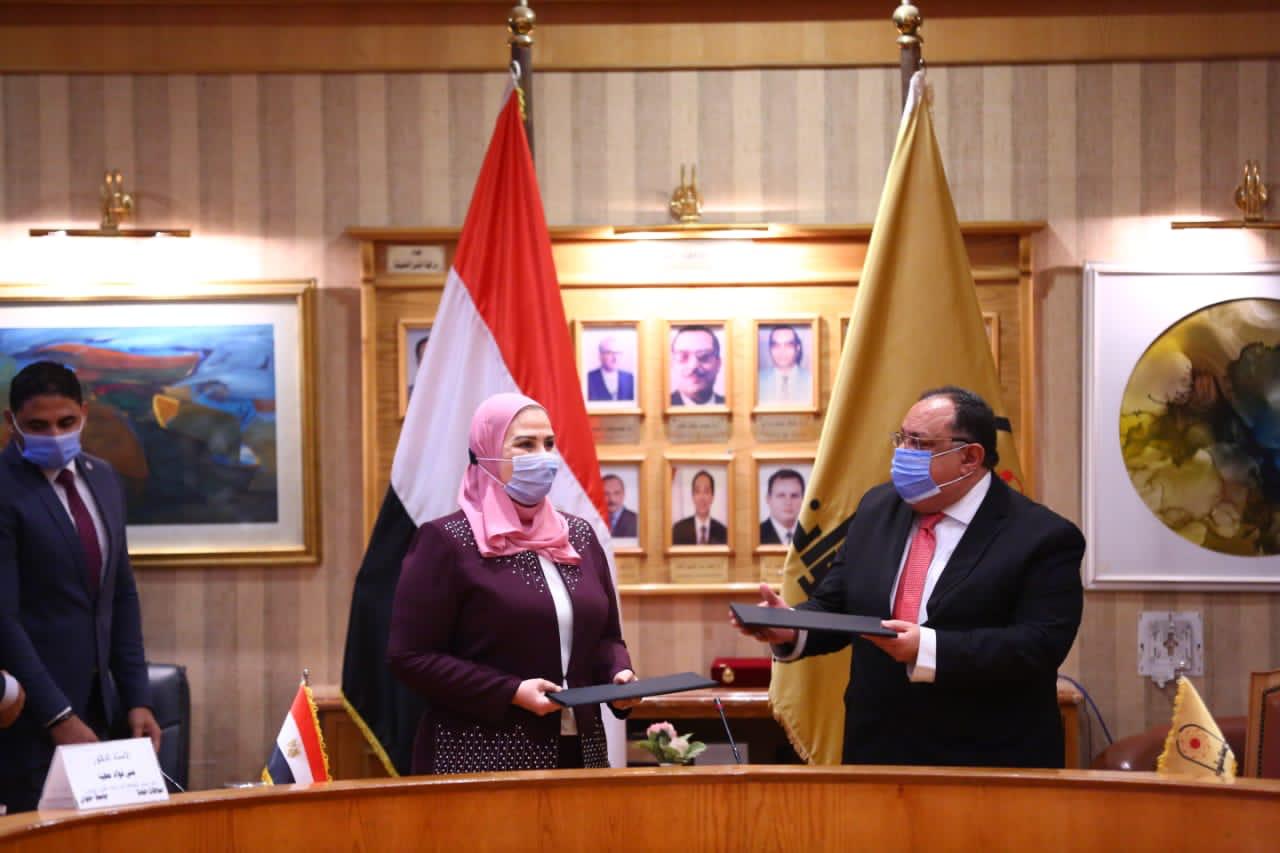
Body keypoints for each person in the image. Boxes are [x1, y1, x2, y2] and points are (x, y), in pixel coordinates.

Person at [734, 386, 1084, 768]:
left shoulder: (1042, 537)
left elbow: (1037, 647)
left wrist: (928, 648)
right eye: (901, 439)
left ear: (969, 457)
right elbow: (838, 604)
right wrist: (792, 627)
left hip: (986, 758)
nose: (902, 453)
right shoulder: (877, 507)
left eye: (919, 444)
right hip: (878, 750)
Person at [387, 392, 636, 774]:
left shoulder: (579, 536)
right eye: (525, 444)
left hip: (581, 752)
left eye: (549, 444)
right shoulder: (448, 541)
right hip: (483, 757)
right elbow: (410, 657)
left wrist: (618, 675)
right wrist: (511, 692)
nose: (544, 456)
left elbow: (605, 638)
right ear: (485, 453)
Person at [0, 361, 161, 812]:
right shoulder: (4, 489)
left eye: (66, 422)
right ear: (12, 422)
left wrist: (137, 698)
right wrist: (57, 715)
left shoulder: (103, 477)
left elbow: (120, 594)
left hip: (102, 709)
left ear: (85, 413)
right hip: (29, 717)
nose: (54, 435)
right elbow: (3, 619)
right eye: (38, 425)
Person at [669, 326, 725, 406]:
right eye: (683, 357)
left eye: (704, 356)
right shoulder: (660, 406)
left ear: (718, 364)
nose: (693, 366)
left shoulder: (732, 405)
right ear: (672, 363)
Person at [757, 325, 812, 406]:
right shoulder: (757, 381)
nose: (782, 351)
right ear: (770, 349)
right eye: (776, 345)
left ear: (797, 348)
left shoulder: (812, 381)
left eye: (788, 345)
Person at [671, 469, 728, 546]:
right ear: (692, 496)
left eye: (706, 491)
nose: (702, 497)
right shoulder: (678, 530)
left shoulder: (723, 532)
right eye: (697, 491)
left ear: (712, 496)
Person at [759, 468, 805, 546]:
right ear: (768, 499)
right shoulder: (755, 535)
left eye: (794, 496)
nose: (788, 502)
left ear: (803, 500)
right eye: (781, 496)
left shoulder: (813, 535)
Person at [586, 337, 635, 403]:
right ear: (600, 355)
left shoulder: (630, 378)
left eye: (618, 353)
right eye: (609, 353)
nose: (615, 358)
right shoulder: (588, 379)